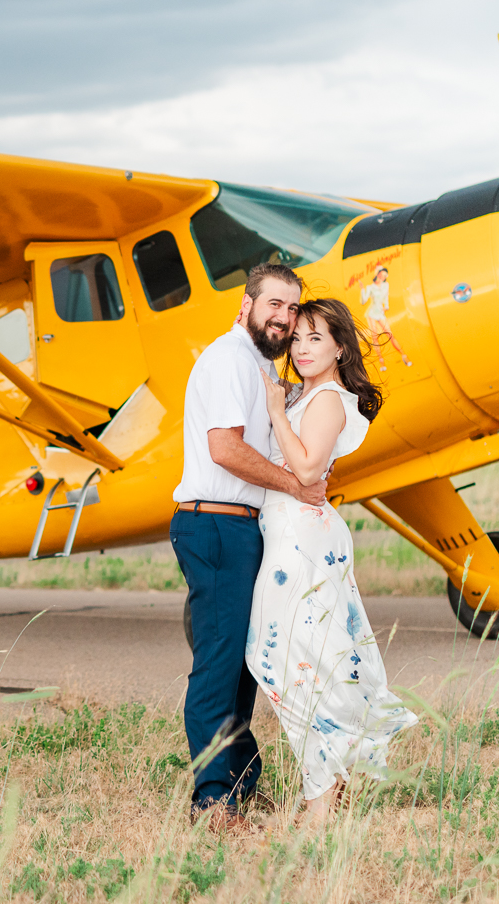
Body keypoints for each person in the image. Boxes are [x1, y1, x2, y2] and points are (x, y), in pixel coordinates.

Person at [170, 262, 330, 832]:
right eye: (275, 306)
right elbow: (224, 450)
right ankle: (212, 802)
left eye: (292, 309)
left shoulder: (257, 367)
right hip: (215, 525)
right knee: (218, 665)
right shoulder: (228, 360)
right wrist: (296, 486)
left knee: (242, 665)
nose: (285, 318)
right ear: (247, 305)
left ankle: (238, 780)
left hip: (242, 526)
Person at [248, 299, 418, 824]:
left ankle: (320, 797)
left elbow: (306, 469)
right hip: (292, 537)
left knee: (291, 662)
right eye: (295, 338)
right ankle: (324, 787)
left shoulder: (325, 400)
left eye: (314, 338)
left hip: (301, 542)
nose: (300, 348)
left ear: (340, 346)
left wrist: (277, 411)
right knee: (303, 660)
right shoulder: (308, 394)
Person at [358, 267, 411, 370]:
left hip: (380, 312)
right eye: (382, 275)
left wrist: (386, 306)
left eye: (385, 276)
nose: (383, 277)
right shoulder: (370, 287)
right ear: (377, 274)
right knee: (375, 337)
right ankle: (381, 362)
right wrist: (362, 289)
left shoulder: (386, 285)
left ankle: (404, 355)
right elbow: (363, 301)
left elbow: (386, 297)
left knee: (389, 334)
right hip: (372, 313)